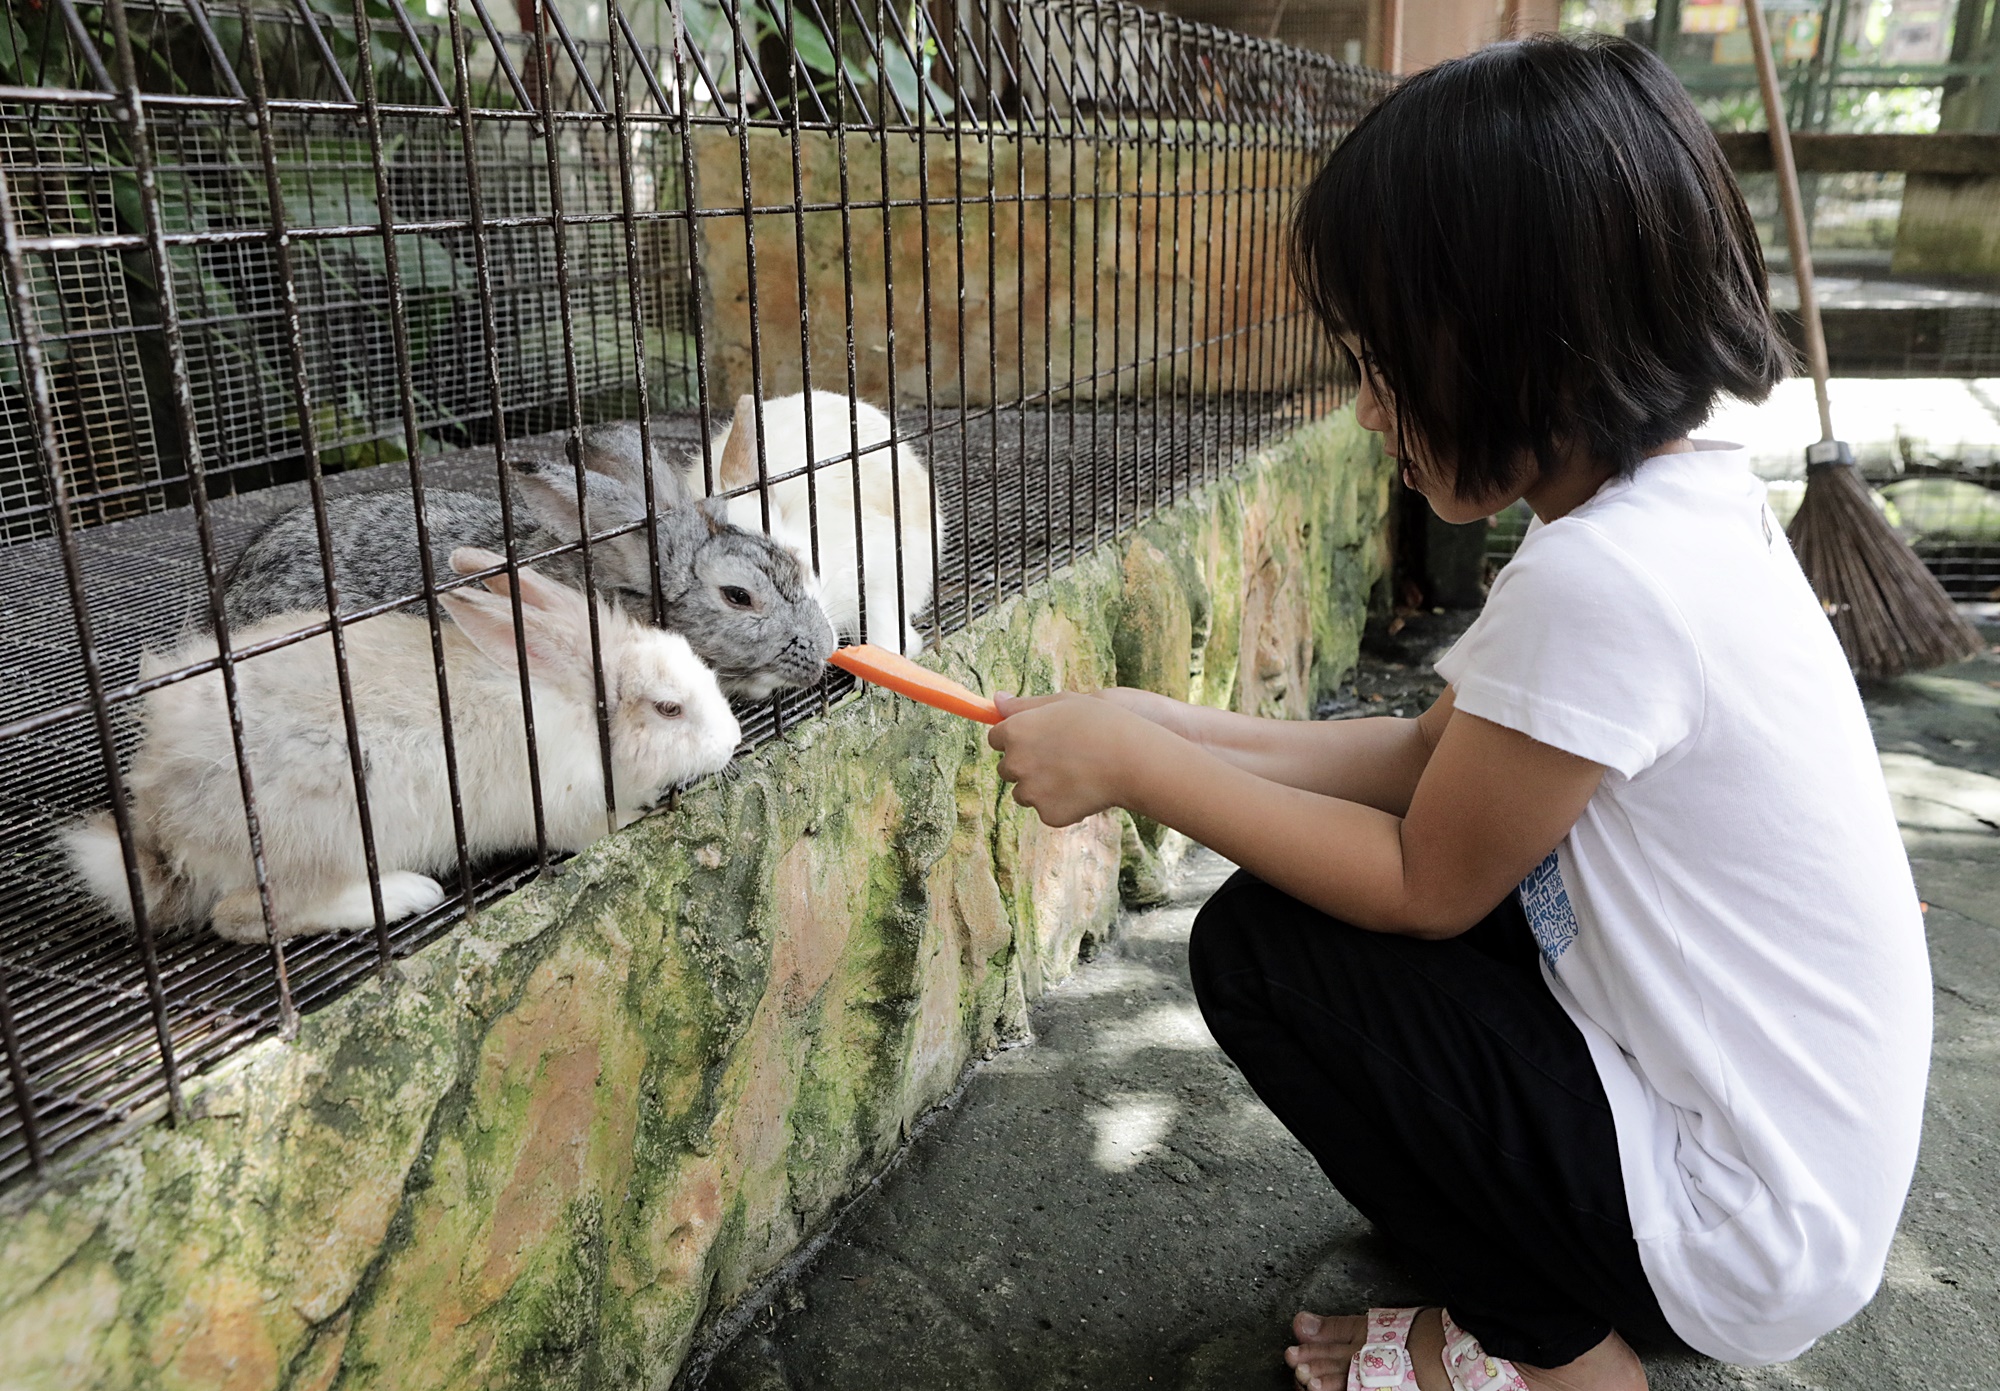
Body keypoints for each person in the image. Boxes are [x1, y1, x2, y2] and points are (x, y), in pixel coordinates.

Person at [986, 35, 1931, 1391]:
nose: (1370, 410)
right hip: (1782, 1185)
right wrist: (1164, 721)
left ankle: (1558, 1358)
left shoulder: (1610, 577)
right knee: (1350, 922)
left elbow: (1426, 881)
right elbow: (1432, 758)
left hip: (1729, 1233)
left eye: (1386, 363)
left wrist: (1141, 770)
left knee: (1267, 955)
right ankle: (1526, 1243)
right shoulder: (1671, 513)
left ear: (1520, 338)